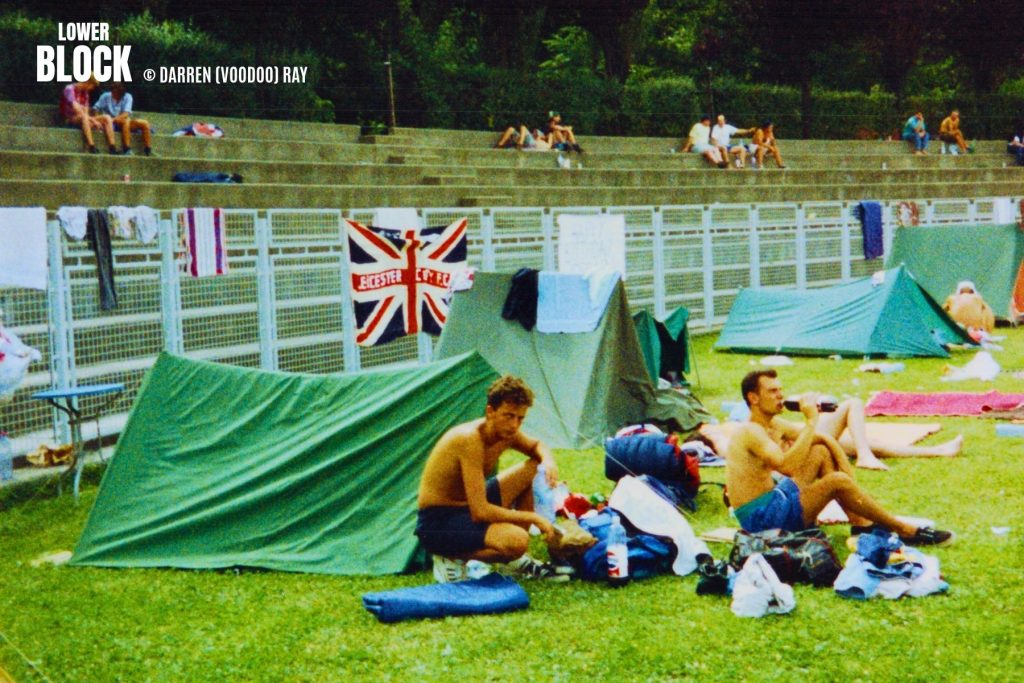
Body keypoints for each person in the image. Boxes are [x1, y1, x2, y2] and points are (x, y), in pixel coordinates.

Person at [724, 369, 954, 545]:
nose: (780, 395)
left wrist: (845, 470)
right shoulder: (749, 431)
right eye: (772, 391)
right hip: (762, 519)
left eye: (780, 390)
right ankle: (904, 530)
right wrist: (812, 420)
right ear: (753, 398)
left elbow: (819, 439)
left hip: (775, 500)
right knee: (836, 482)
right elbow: (787, 466)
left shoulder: (773, 423)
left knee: (821, 453)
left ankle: (861, 524)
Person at [416, 375, 570, 583]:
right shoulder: (469, 439)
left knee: (534, 466)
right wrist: (534, 519)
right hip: (439, 522)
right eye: (508, 416)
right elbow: (481, 512)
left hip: (466, 508)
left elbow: (537, 447)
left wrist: (549, 461)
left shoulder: (507, 432)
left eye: (520, 418)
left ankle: (515, 563)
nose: (515, 425)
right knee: (517, 540)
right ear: (490, 411)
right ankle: (451, 556)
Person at [59, 75, 117, 154]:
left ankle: (112, 147)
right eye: (92, 86)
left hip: (83, 119)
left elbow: (86, 111)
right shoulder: (69, 89)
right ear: (88, 83)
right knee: (84, 118)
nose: (92, 89)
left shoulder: (85, 93)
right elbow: (77, 110)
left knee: (107, 118)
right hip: (69, 119)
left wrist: (92, 122)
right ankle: (91, 146)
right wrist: (94, 121)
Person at [94, 82, 153, 156]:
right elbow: (96, 108)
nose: (114, 95)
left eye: (116, 93)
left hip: (120, 121)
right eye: (113, 92)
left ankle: (148, 149)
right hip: (109, 123)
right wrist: (97, 120)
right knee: (126, 121)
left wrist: (114, 119)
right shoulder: (106, 96)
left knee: (145, 123)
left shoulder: (128, 97)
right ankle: (126, 148)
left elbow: (126, 113)